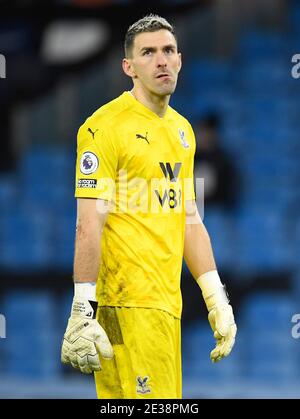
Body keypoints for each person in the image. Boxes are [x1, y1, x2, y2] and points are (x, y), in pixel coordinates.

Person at [61, 14, 237, 399]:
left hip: (163, 306)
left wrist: (216, 299)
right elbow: (87, 223)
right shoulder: (103, 127)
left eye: (168, 50)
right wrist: (81, 308)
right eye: (148, 52)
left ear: (179, 60)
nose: (161, 60)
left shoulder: (183, 131)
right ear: (129, 67)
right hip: (129, 304)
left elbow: (189, 219)